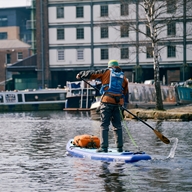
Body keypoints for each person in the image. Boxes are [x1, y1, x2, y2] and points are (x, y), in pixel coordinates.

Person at [76, 60, 128, 153]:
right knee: (117, 126)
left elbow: (92, 74)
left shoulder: (106, 72)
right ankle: (120, 148)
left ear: (109, 67)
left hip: (107, 101)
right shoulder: (123, 77)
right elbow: (125, 92)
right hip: (118, 103)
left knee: (104, 125)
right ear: (117, 66)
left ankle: (104, 148)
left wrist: (80, 74)